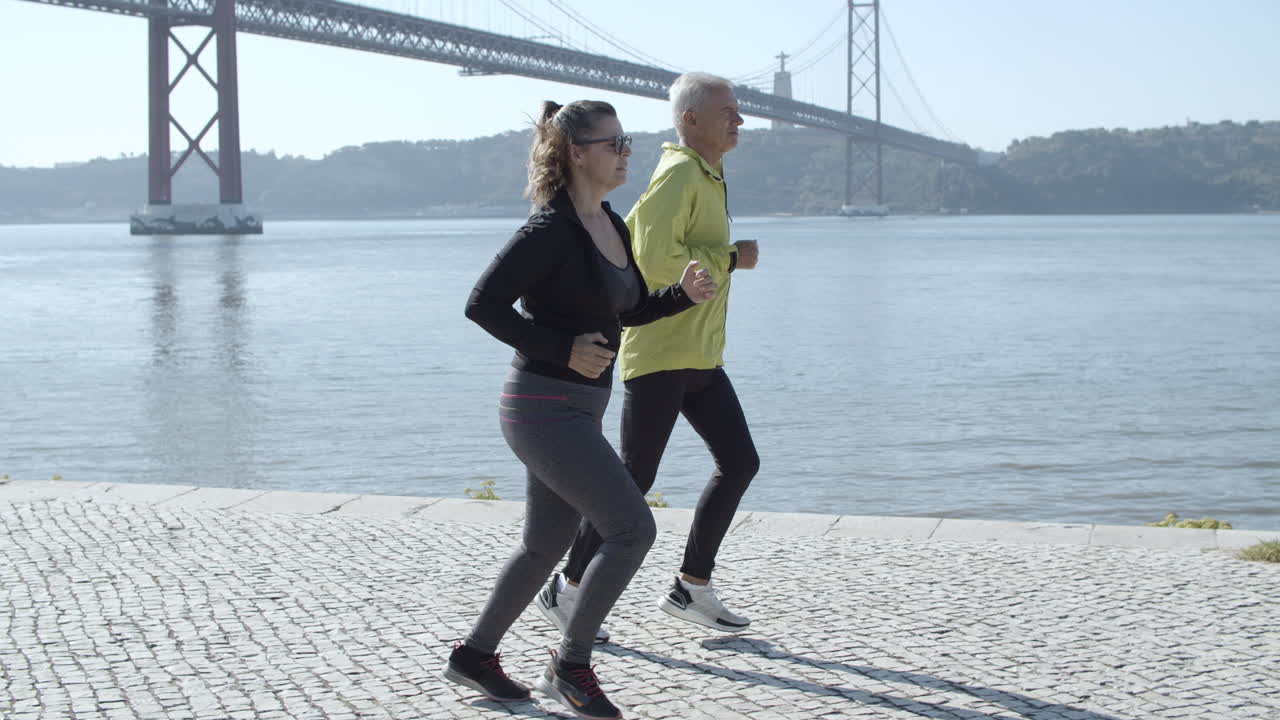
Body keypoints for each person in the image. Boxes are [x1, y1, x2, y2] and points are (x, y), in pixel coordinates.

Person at [442, 99, 717, 720]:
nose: (625, 154)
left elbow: (626, 310)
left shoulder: (611, 224)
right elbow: (481, 306)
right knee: (631, 529)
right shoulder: (548, 231)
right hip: (540, 408)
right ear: (576, 153)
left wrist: (681, 296)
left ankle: (475, 657)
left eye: (627, 143)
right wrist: (559, 347)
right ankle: (570, 666)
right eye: (613, 144)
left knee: (546, 543)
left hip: (578, 410)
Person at [538, 72, 760, 640]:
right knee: (632, 479)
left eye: (738, 111)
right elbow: (655, 258)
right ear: (689, 119)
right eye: (728, 111)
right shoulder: (680, 173)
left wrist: (721, 260)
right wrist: (731, 257)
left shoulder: (709, 174)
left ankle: (692, 587)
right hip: (660, 349)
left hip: (700, 352)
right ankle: (567, 588)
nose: (739, 120)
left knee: (739, 462)